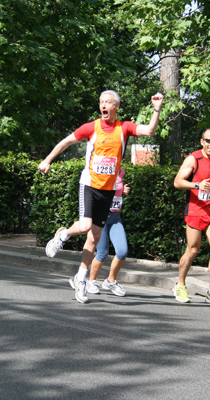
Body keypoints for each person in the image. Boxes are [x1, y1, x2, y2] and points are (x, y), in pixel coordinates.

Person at [38, 90, 164, 304]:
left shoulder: (124, 128)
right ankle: (63, 235)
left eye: (108, 102)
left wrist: (157, 109)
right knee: (85, 226)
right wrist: (48, 160)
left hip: (107, 191)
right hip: (88, 185)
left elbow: (151, 131)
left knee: (94, 238)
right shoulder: (91, 127)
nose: (103, 106)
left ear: (116, 107)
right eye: (101, 102)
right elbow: (66, 142)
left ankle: (80, 278)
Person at [172, 127, 210, 305]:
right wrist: (196, 186)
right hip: (195, 210)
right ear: (202, 141)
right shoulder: (193, 158)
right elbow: (177, 182)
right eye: (208, 141)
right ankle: (180, 284)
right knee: (193, 250)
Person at [86, 167, 130, 297]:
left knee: (122, 251)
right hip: (100, 217)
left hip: (115, 218)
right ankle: (91, 281)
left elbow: (117, 191)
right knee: (102, 253)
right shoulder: (102, 170)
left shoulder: (121, 171)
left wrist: (124, 191)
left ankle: (110, 281)